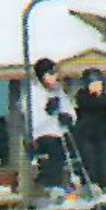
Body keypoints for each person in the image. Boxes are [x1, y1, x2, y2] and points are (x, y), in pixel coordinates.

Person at [29, 58, 76, 193]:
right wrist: (48, 112)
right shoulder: (34, 93)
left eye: (55, 74)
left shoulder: (58, 91)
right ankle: (50, 184)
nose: (54, 77)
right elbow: (34, 119)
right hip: (42, 135)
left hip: (60, 132)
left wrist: (68, 117)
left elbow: (69, 108)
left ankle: (77, 180)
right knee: (55, 150)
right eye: (50, 74)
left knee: (77, 144)